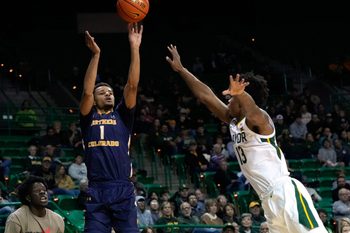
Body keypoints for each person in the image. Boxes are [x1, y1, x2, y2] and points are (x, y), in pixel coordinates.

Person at [165, 44, 327, 233]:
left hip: (285, 193)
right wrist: (182, 70)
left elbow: (252, 110)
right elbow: (205, 96)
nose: (228, 99)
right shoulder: (233, 120)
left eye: (232, 97)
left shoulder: (261, 122)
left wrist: (240, 94)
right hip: (267, 200)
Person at [80, 23, 143, 233]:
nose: (108, 94)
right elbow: (87, 92)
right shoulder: (88, 117)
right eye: (103, 92)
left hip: (122, 188)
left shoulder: (122, 116)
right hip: (97, 189)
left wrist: (135, 48)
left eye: (110, 92)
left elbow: (132, 85)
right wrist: (95, 55)